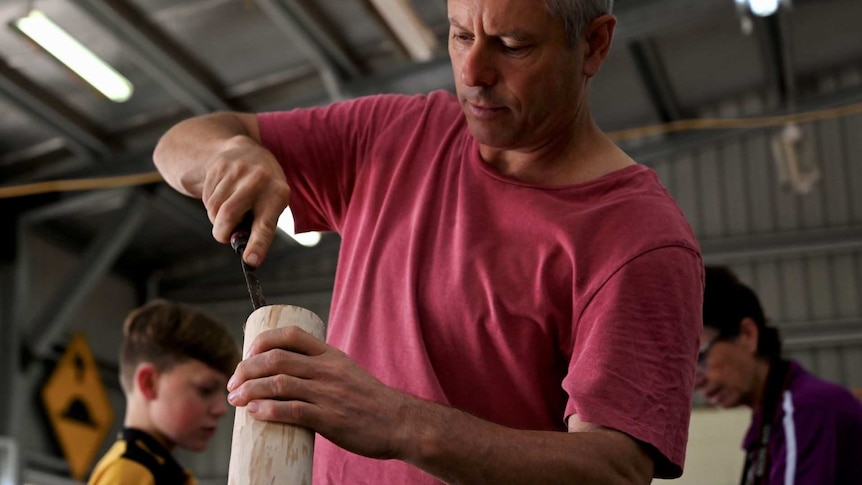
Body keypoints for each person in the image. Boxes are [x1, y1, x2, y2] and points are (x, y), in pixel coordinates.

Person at [152, 0, 704, 482]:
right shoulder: (393, 136)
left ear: (594, 44)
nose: (473, 70)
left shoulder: (639, 239)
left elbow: (615, 468)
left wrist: (400, 423)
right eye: (461, 34)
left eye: (512, 46)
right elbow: (176, 145)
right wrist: (228, 156)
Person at [696, 265, 862, 484]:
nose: (695, 381)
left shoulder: (808, 410)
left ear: (747, 335)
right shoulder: (774, 419)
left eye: (700, 358)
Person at [88, 299, 241, 485]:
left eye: (223, 393)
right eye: (206, 389)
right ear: (149, 383)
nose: (221, 409)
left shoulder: (162, 473)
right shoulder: (127, 475)